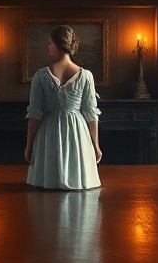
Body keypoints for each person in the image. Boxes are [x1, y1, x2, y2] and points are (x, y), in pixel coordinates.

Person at [25, 25, 102, 190]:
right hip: (77, 131)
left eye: (50, 43)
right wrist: (95, 144)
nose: (48, 46)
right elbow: (90, 113)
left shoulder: (41, 75)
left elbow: (35, 114)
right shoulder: (86, 75)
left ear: (57, 44)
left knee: (47, 185)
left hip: (49, 130)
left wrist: (29, 145)